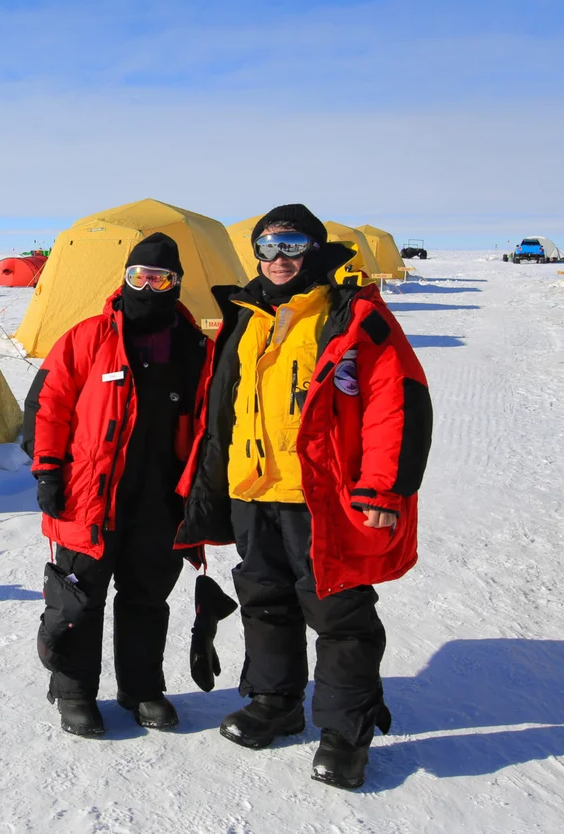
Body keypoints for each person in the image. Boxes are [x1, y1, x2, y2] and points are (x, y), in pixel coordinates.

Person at [175, 204, 432, 788]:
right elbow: (223, 406)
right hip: (252, 489)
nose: (278, 259)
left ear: (313, 249)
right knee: (265, 600)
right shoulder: (246, 313)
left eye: (290, 245)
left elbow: (397, 399)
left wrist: (382, 489)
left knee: (338, 612)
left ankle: (346, 734)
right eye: (265, 247)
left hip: (320, 493)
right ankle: (276, 702)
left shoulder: (350, 313)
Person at [23, 233, 214, 737]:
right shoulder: (88, 337)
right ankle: (74, 692)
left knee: (147, 597)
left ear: (177, 286)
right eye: (139, 277)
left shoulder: (195, 347)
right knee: (78, 597)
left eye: (161, 279)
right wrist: (47, 469)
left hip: (161, 495)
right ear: (125, 278)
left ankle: (141, 688)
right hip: (90, 492)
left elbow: (212, 423)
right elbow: (47, 405)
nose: (148, 287)